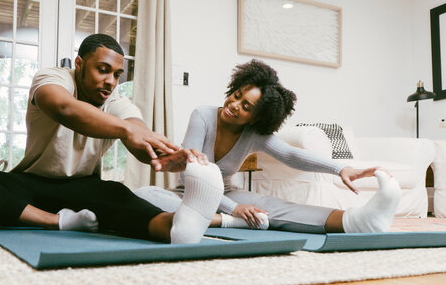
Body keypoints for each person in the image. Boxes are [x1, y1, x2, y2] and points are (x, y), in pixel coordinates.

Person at [0, 34, 225, 244]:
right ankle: (54, 222)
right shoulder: (54, 79)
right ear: (79, 65)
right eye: (102, 70)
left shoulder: (118, 102)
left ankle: (180, 224)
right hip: (29, 186)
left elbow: (138, 139)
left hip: (83, 190)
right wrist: (125, 129)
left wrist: (165, 155)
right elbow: (63, 107)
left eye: (117, 74)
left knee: (117, 196)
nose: (110, 81)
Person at [135, 59, 401, 234]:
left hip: (228, 194)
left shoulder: (254, 134)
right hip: (188, 193)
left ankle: (359, 221)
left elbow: (291, 154)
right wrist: (233, 210)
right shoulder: (202, 115)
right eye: (237, 95)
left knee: (274, 207)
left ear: (257, 117)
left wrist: (341, 168)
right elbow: (188, 175)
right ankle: (229, 222)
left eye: (246, 106)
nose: (234, 105)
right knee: (147, 196)